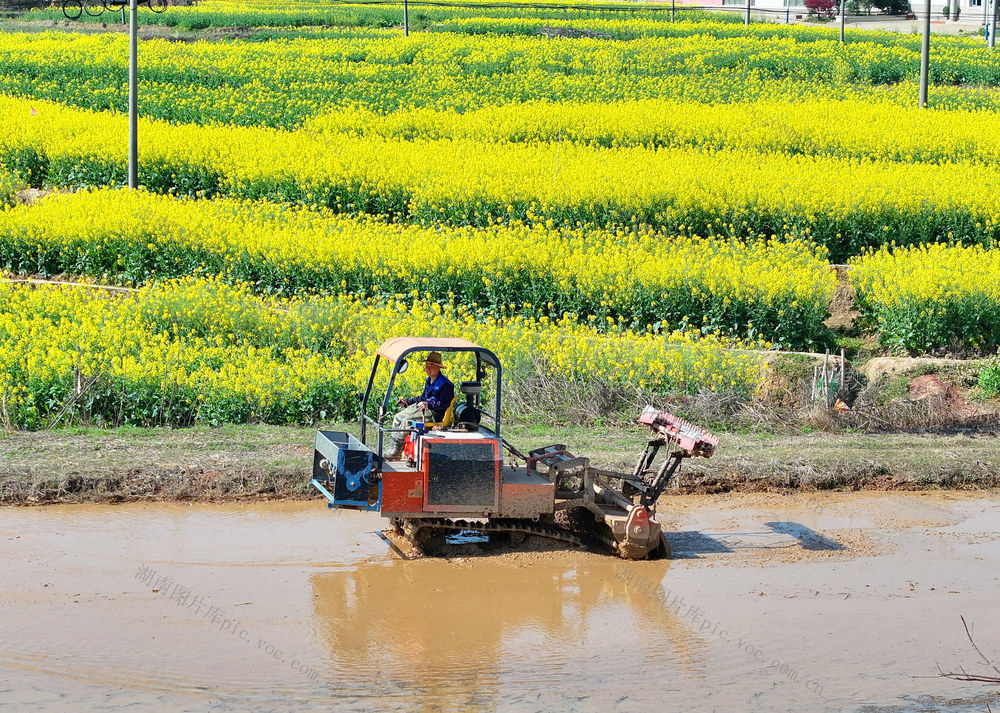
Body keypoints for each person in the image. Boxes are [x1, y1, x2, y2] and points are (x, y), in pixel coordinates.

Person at [386, 352, 454, 459]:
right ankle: (393, 448)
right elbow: (423, 397)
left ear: (438, 368)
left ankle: (396, 453)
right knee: (397, 417)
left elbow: (444, 403)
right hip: (423, 409)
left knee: (406, 422)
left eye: (431, 367)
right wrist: (408, 402)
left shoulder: (446, 384)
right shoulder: (429, 380)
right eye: (427, 366)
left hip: (435, 413)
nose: (428, 369)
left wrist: (428, 404)